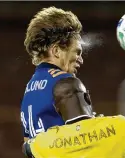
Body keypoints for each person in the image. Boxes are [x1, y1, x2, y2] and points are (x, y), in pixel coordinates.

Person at [22, 77, 125, 158]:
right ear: (87, 98)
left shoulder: (44, 142)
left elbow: (26, 148)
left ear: (57, 110)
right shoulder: (121, 125)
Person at [20, 6, 84, 143]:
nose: (81, 59)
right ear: (56, 51)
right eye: (77, 52)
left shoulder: (29, 88)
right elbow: (85, 139)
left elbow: (27, 145)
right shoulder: (66, 83)